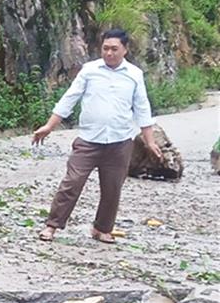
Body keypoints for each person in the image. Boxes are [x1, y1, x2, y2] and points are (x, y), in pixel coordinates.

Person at [33, 28, 163, 243]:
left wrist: (149, 141)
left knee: (112, 188)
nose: (109, 53)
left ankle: (102, 228)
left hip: (120, 142)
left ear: (125, 50)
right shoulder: (89, 70)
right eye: (105, 48)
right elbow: (70, 98)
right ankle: (52, 225)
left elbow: (142, 108)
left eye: (114, 49)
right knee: (72, 183)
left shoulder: (134, 75)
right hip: (88, 140)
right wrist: (49, 126)